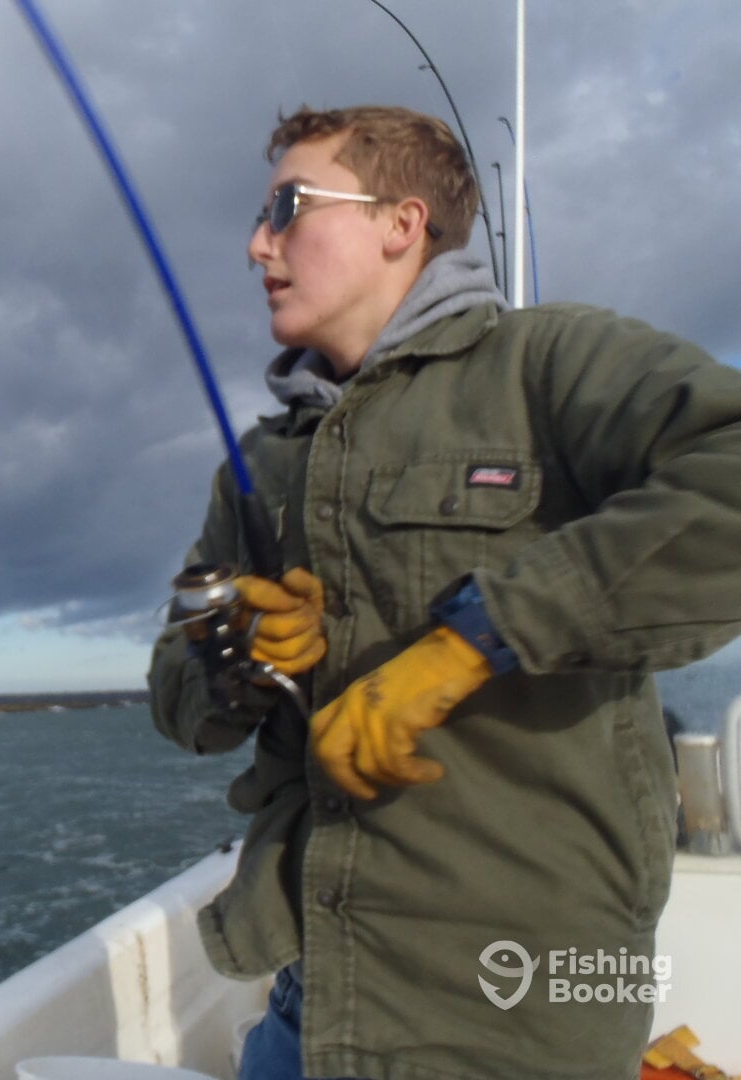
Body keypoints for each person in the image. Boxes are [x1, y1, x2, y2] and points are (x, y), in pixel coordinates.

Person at [148, 104, 741, 1080]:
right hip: (308, 998)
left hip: (514, 1018)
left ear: (401, 223)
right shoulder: (261, 464)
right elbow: (176, 695)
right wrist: (234, 652)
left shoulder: (550, 363)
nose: (258, 244)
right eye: (260, 218)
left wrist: (474, 639)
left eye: (288, 208)